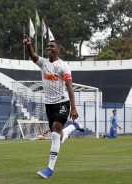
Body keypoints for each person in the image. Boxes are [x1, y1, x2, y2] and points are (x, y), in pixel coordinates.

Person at [23, 35, 84, 179]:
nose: (48, 48)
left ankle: (49, 169)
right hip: (49, 105)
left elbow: (69, 87)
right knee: (58, 137)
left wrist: (73, 108)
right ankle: (73, 127)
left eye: (51, 46)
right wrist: (28, 44)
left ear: (58, 50)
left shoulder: (64, 66)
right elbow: (33, 55)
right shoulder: (43, 63)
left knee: (56, 132)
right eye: (47, 46)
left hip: (62, 103)